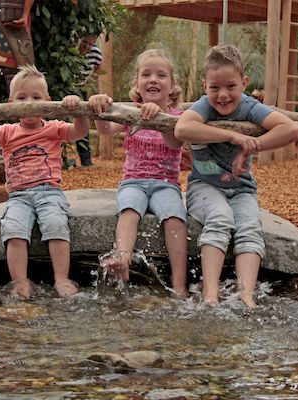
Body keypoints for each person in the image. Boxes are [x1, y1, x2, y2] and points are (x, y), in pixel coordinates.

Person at [174, 44, 298, 307]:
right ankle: (210, 295)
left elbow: (291, 129)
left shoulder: (249, 106)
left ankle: (246, 297)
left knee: (250, 228)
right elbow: (182, 129)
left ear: (243, 83)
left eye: (230, 86)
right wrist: (233, 136)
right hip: (204, 187)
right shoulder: (204, 107)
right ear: (205, 85)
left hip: (242, 190)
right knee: (220, 218)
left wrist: (251, 147)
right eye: (214, 88)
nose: (222, 95)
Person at [0, 64, 90, 299]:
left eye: (36, 98)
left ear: (47, 101)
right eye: (22, 97)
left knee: (56, 225)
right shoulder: (7, 131)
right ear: (11, 102)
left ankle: (62, 278)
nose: (29, 103)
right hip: (19, 196)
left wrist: (77, 110)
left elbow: (79, 132)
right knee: (14, 230)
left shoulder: (54, 128)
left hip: (50, 192)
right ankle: (20, 280)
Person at [88, 48, 188, 299]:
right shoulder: (130, 113)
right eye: (146, 74)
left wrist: (160, 118)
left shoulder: (179, 117)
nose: (153, 79)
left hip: (166, 184)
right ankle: (122, 258)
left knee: (175, 217)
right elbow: (106, 129)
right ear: (137, 83)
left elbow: (176, 143)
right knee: (130, 210)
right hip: (134, 182)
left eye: (161, 75)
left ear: (172, 85)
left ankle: (179, 284)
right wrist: (100, 108)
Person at [74, 35, 103, 167]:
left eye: (90, 44)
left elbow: (99, 67)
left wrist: (89, 83)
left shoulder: (96, 53)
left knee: (82, 121)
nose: (86, 47)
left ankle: (86, 160)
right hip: (67, 86)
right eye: (84, 42)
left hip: (81, 88)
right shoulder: (71, 48)